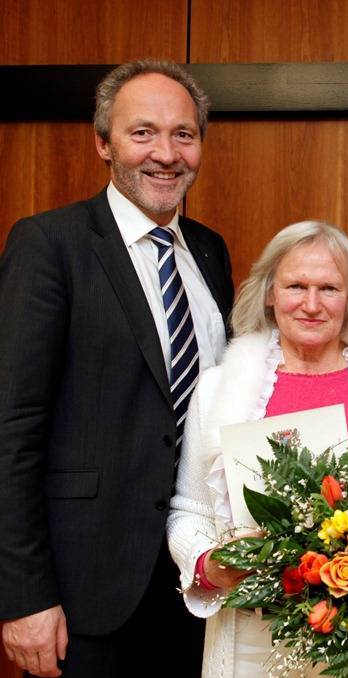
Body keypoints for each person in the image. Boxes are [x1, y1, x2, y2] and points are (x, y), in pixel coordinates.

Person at [0, 60, 232, 677]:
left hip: (199, 587)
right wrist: (24, 596)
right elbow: (11, 430)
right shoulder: (50, 246)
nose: (166, 154)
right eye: (143, 133)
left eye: (183, 134)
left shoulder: (210, 252)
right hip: (84, 596)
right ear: (103, 143)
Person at [167, 220, 348, 677]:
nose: (311, 304)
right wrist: (208, 564)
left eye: (329, 288)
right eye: (296, 285)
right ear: (271, 292)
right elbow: (188, 508)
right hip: (252, 643)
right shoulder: (218, 389)